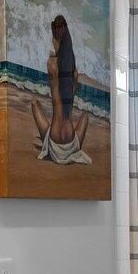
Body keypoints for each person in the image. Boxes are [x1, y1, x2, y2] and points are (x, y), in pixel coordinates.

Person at [28, 13, 91, 165]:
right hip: (71, 143)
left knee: (34, 103)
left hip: (54, 142)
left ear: (55, 39)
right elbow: (66, 62)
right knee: (85, 117)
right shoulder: (74, 73)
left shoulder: (51, 64)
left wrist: (56, 51)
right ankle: (70, 150)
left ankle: (48, 144)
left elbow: (56, 64)